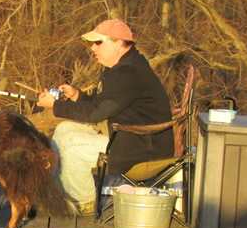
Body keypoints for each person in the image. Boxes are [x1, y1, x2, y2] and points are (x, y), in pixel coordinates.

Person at [37, 19, 174, 214]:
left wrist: (56, 106)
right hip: (126, 135)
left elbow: (96, 113)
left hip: (141, 146)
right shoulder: (119, 68)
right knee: (63, 129)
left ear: (118, 43)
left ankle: (83, 202)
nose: (93, 48)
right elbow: (101, 104)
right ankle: (60, 194)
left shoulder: (129, 73)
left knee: (69, 143)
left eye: (99, 42)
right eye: (92, 43)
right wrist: (77, 96)